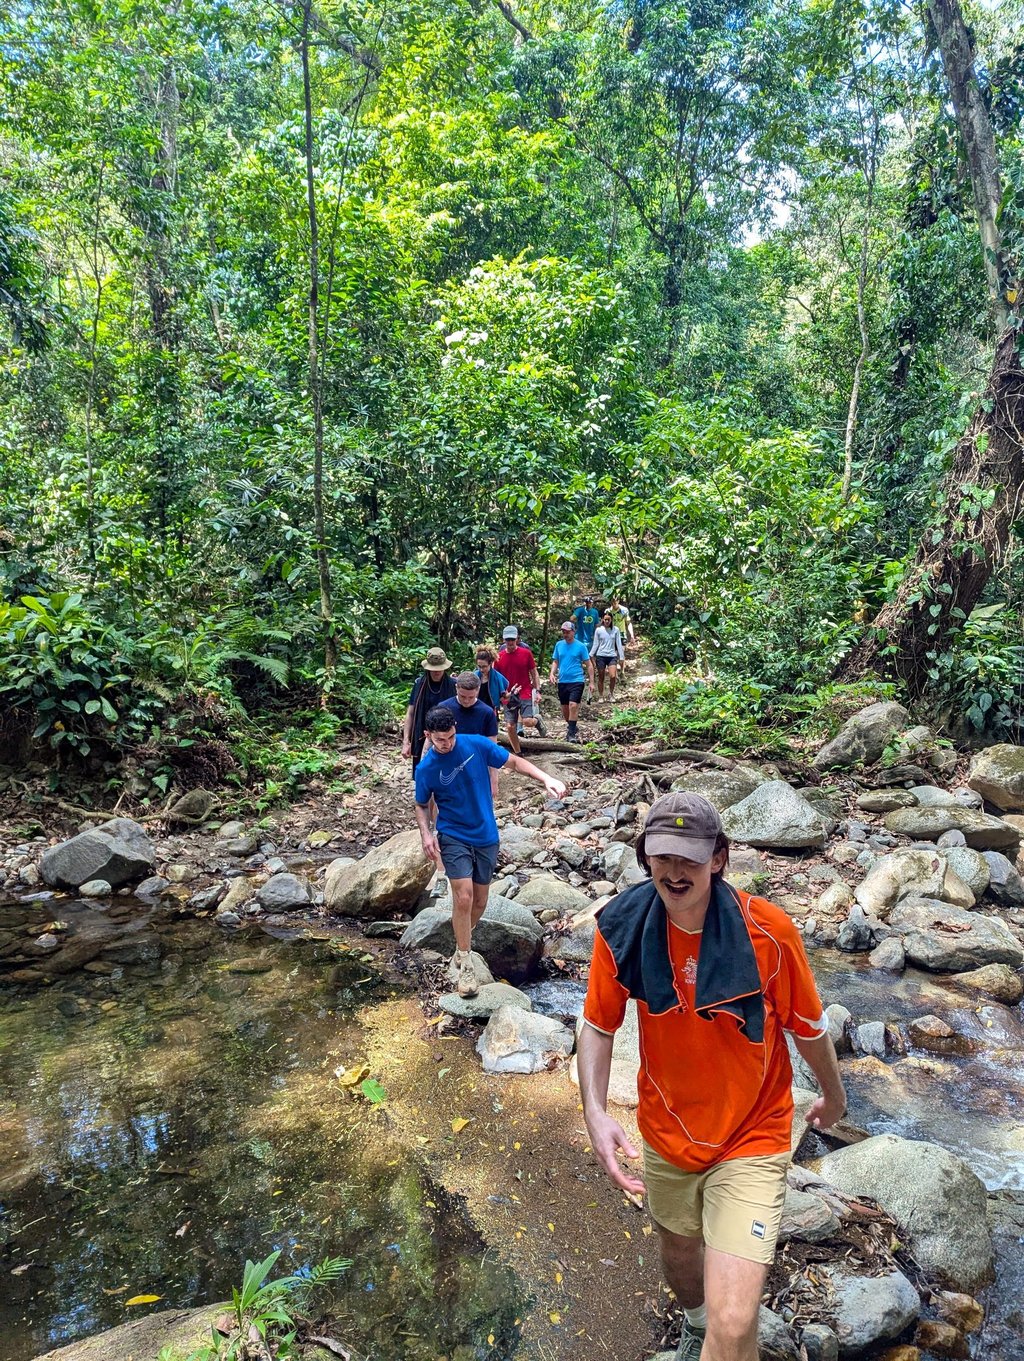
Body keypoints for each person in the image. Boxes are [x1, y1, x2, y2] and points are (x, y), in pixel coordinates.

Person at [576, 793, 845, 1361]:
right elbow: (598, 1027)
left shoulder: (768, 933)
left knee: (735, 1317)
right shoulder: (621, 929)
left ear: (719, 858)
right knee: (680, 1259)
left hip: (753, 1132)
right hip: (669, 1128)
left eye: (690, 859)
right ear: (645, 855)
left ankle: (713, 1331)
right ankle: (694, 1323)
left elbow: (808, 1026)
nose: (676, 873)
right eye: (663, 856)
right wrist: (595, 1114)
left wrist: (833, 1095)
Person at [414, 705, 566, 997]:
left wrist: (547, 778)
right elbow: (422, 803)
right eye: (439, 740)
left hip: (485, 834)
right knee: (464, 896)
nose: (446, 744)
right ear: (428, 736)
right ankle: (466, 960)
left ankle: (460, 945)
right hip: (453, 835)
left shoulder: (477, 744)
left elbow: (515, 763)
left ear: (455, 730)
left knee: (480, 902)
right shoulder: (426, 769)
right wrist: (426, 834)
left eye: (450, 737)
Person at [440, 671, 501, 797]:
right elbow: (433, 741)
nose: (466, 701)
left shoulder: (487, 713)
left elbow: (492, 748)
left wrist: (494, 780)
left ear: (478, 690)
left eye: (471, 697)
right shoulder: (444, 709)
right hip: (448, 767)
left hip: (476, 769)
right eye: (463, 696)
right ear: (456, 688)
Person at [402, 647, 457, 777]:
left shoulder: (452, 685)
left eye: (440, 668)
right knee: (423, 773)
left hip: (446, 735)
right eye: (433, 668)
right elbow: (410, 713)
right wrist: (406, 742)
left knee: (447, 773)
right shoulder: (419, 684)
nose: (437, 672)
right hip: (422, 733)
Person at [494, 625, 542, 754]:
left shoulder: (526, 653)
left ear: (517, 639)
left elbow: (534, 672)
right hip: (508, 694)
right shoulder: (499, 657)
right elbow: (495, 677)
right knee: (510, 726)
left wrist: (537, 691)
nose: (510, 642)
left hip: (525, 690)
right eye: (507, 639)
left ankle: (537, 720)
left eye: (512, 639)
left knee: (527, 721)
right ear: (504, 640)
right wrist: (498, 695)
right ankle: (518, 753)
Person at [549, 620, 594, 742]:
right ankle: (572, 727)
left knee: (573, 706)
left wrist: (591, 682)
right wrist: (552, 673)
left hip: (577, 680)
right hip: (563, 681)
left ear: (573, 632)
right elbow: (556, 661)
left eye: (568, 632)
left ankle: (571, 735)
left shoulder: (581, 646)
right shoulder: (559, 645)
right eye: (563, 632)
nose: (565, 634)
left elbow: (589, 665)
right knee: (565, 710)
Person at [590, 610, 626, 701]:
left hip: (612, 656)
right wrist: (591, 654)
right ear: (602, 620)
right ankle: (601, 696)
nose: (607, 621)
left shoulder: (616, 630)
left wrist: (621, 657)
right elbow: (596, 644)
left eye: (608, 620)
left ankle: (611, 694)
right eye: (605, 619)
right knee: (601, 677)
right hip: (601, 656)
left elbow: (618, 643)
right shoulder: (598, 630)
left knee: (613, 676)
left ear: (611, 620)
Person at [475, 647, 509, 716]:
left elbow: (505, 696)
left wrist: (513, 693)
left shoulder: (498, 677)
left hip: (491, 712)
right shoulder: (474, 676)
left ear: (490, 663)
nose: (481, 669)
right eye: (479, 666)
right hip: (476, 710)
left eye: (484, 666)